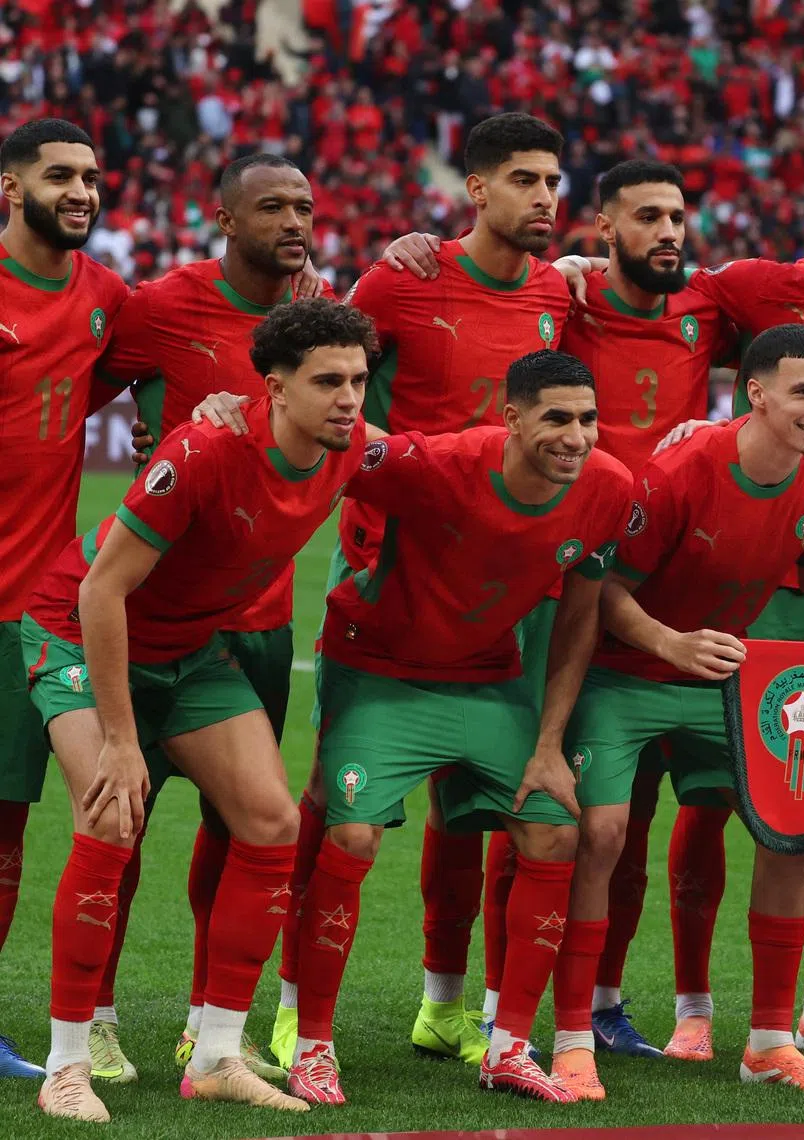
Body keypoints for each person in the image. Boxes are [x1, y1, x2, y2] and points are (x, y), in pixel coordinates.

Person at [267, 110, 576, 1074]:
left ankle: (448, 1008)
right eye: (524, 180)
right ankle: (292, 1007)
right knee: (335, 801)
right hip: (389, 574)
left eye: (553, 182)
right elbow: (324, 377)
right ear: (475, 189)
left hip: (504, 588)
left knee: (475, 807)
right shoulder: (401, 278)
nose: (545, 198)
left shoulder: (558, 293)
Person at [19, 298, 377, 1122]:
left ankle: (216, 1056)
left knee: (271, 822)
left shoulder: (352, 442)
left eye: (359, 379)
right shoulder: (205, 449)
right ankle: (66, 1068)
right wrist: (120, 740)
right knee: (111, 818)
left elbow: (449, 461)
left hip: (188, 647)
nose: (349, 398)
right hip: (78, 629)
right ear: (275, 387)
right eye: (328, 381)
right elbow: (101, 591)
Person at [556, 324, 804, 1099]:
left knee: (792, 825)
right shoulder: (680, 471)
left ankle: (769, 1044)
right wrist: (670, 643)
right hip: (625, 673)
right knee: (603, 834)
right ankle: (572, 1035)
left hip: (719, 675)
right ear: (756, 394)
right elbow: (603, 588)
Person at [284, 349, 633, 1106]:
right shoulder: (437, 464)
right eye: (557, 419)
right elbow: (328, 438)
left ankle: (509, 1050)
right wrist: (233, 408)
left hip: (488, 679)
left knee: (555, 833)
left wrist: (549, 745)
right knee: (352, 835)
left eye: (588, 419)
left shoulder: (609, 488)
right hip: (383, 672)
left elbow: (580, 618)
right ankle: (311, 1047)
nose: (576, 437)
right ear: (511, 419)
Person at [480, 158, 736, 1063]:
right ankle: (497, 1005)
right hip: (564, 572)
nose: (667, 232)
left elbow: (803, 338)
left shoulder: (711, 304)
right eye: (647, 217)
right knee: (540, 804)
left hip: (665, 580)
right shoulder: (566, 297)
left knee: (628, 825)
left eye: (677, 217)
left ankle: (602, 1003)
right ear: (604, 230)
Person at [87, 151, 331, 1085]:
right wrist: (151, 437)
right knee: (124, 818)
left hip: (259, 616)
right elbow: (77, 395)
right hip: (154, 610)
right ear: (225, 219)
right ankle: (95, 1018)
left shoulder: (316, 316)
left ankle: (207, 1023)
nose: (293, 221)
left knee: (243, 826)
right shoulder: (161, 307)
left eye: (303, 206)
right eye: (271, 207)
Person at [0, 117, 129, 1080]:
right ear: (11, 189)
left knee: (6, 831)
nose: (80, 190)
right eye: (59, 176)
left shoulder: (106, 296)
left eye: (89, 176)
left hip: (30, 610)